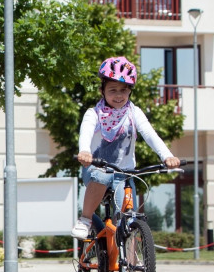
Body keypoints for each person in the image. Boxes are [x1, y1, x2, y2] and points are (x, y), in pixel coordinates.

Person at [70, 56, 181, 240]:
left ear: (130, 91)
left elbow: (150, 134)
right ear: (102, 90)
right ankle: (86, 219)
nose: (118, 95)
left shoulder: (134, 113)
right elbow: (86, 133)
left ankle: (132, 263)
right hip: (96, 170)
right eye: (112, 90)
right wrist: (85, 151)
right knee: (101, 175)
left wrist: (167, 156)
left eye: (123, 90)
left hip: (124, 173)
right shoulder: (94, 114)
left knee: (127, 223)